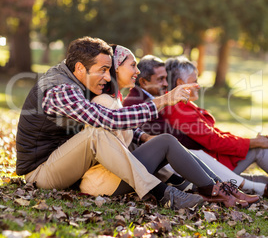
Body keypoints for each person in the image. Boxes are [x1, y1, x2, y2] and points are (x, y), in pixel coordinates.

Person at [16, 36, 205, 211]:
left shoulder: (76, 79)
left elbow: (107, 117)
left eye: (109, 70)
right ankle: (161, 193)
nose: (108, 77)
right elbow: (110, 119)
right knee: (96, 134)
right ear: (81, 67)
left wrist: (142, 136)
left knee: (102, 132)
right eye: (103, 70)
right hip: (41, 173)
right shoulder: (61, 89)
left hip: (63, 161)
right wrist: (164, 100)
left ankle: (185, 183)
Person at [80, 44, 259, 207]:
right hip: (107, 181)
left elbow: (124, 131)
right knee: (166, 141)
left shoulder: (114, 100)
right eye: (133, 65)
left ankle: (221, 189)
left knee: (166, 142)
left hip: (120, 175)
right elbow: (115, 143)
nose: (137, 71)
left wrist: (145, 138)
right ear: (117, 68)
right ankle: (218, 190)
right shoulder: (105, 101)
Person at [123, 55, 268, 197]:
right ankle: (255, 188)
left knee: (256, 170)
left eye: (166, 78)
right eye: (161, 79)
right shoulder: (165, 105)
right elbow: (210, 141)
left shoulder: (161, 100)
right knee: (257, 155)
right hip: (195, 162)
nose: (166, 84)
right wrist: (254, 142)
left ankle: (255, 187)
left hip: (202, 160)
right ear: (143, 82)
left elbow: (212, 134)